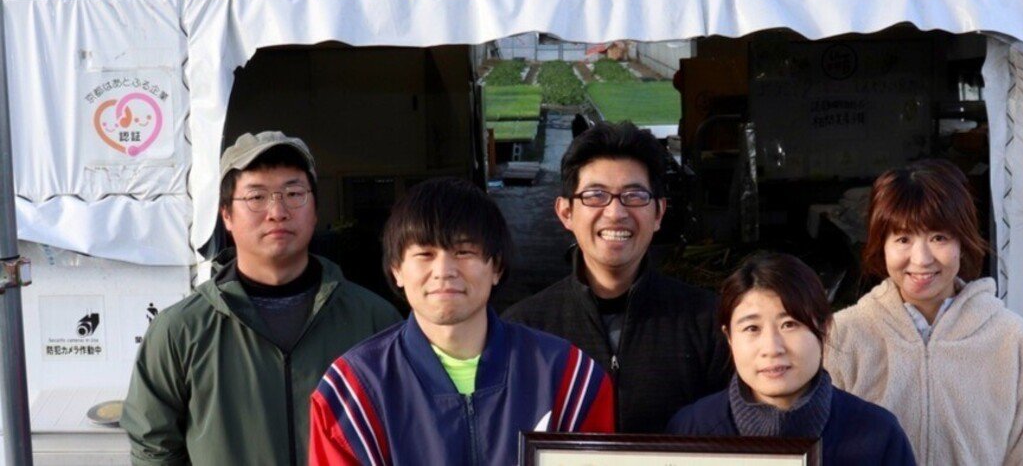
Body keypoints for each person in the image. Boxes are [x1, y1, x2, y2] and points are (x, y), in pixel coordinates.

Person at [122, 131, 401, 465]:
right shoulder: (179, 330)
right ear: (226, 215)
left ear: (314, 210)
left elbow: (402, 432)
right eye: (257, 197)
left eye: (294, 193)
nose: (277, 211)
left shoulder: (373, 320)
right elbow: (154, 448)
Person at [309, 178, 615, 465]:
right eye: (425, 253)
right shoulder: (351, 393)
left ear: (496, 266)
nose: (444, 270)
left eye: (464, 251)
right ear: (397, 269)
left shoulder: (569, 377)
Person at [503, 121, 730, 432]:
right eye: (595, 195)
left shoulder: (709, 323)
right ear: (566, 212)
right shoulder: (523, 330)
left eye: (634, 195)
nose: (615, 212)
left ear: (659, 213)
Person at [825, 159, 1023, 465]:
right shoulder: (843, 336)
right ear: (882, 245)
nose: (921, 259)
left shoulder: (1011, 338)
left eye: (939, 238)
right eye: (903, 239)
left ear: (963, 240)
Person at [668, 253, 916, 465]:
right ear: (729, 338)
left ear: (824, 328)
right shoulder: (693, 431)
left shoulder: (878, 435)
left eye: (789, 324)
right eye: (752, 328)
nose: (772, 348)